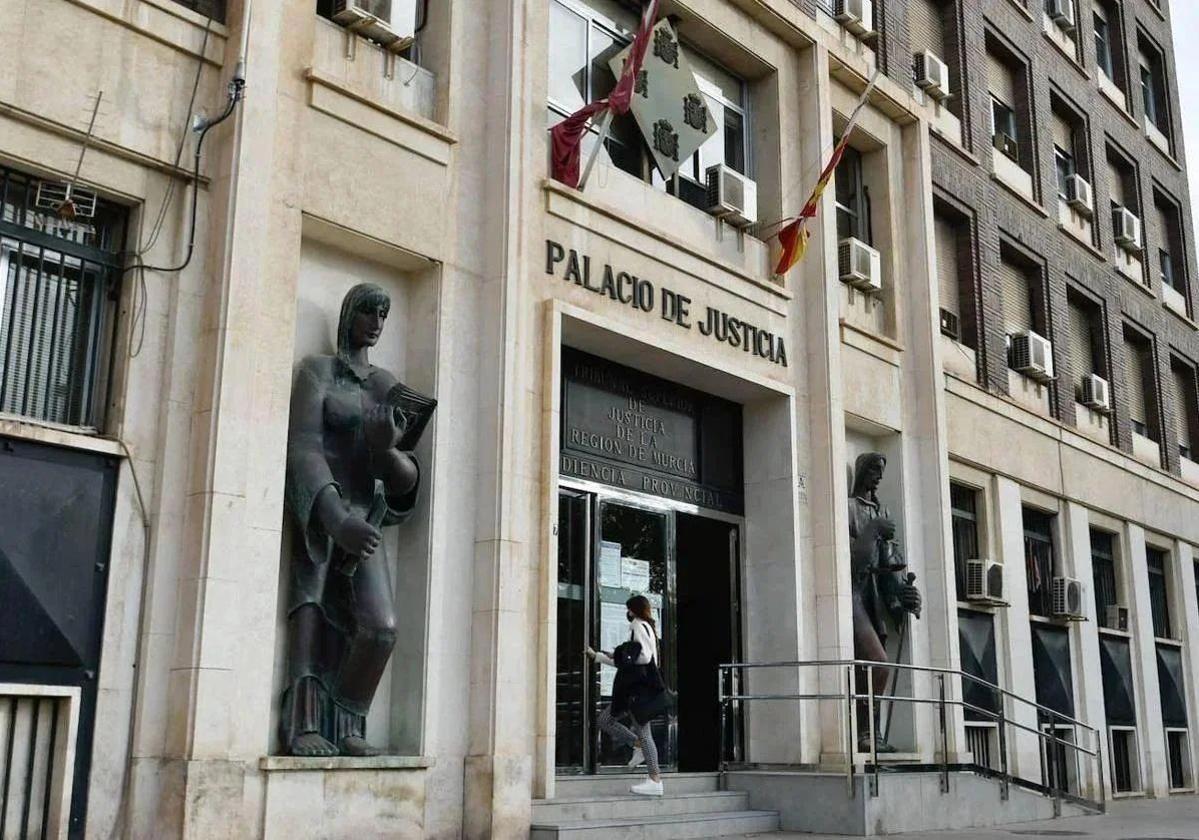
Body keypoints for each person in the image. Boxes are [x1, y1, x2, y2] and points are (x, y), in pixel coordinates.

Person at [282, 283, 421, 757]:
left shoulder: (386, 386)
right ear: (349, 314)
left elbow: (404, 477)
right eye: (369, 312)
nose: (378, 323)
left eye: (384, 314)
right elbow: (303, 447)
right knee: (314, 611)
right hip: (325, 512)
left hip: (366, 517)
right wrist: (335, 517)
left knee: (380, 627)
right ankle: (302, 727)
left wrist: (386, 449)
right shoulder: (317, 373)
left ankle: (348, 721)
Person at [848, 452, 921, 753]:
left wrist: (905, 595)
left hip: (873, 598)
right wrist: (873, 529)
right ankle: (863, 733)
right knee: (878, 664)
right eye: (874, 470)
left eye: (882, 471)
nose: (878, 476)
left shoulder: (882, 511)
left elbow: (891, 564)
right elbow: (853, 562)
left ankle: (871, 733)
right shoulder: (849, 508)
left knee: (870, 669)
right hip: (852, 594)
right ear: (862, 472)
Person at [586, 595, 667, 796]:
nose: (628, 613)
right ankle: (636, 744)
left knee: (644, 733)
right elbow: (630, 660)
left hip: (636, 692)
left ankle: (655, 779)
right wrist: (600, 656)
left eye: (629, 609)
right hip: (633, 691)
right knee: (605, 720)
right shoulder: (647, 627)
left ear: (633, 610)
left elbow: (643, 657)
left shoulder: (638, 625)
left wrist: (621, 653)